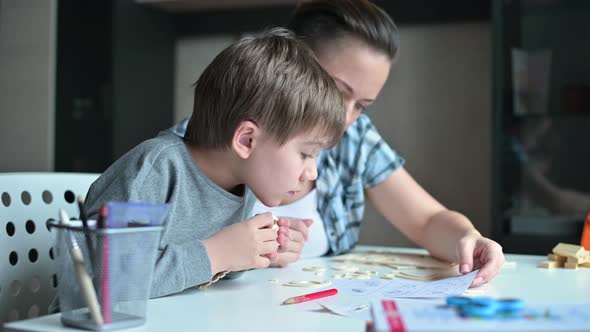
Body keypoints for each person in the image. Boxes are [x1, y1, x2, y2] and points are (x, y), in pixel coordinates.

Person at [171, 0, 505, 287]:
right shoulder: (202, 146)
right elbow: (148, 257)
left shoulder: (356, 137)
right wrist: (236, 255)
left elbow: (427, 220)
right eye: (337, 90)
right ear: (291, 61)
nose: (345, 118)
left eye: (361, 104)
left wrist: (468, 239)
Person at [84, 28, 345, 298]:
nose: (312, 172)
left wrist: (255, 250)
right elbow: (113, 282)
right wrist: (217, 253)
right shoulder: (157, 170)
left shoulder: (242, 185)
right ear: (246, 140)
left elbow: (201, 274)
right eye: (306, 153)